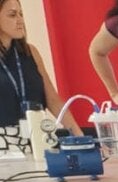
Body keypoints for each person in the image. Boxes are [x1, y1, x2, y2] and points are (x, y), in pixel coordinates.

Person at [0, 0, 79, 141]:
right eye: (12, 15)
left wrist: (79, 135)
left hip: (38, 136)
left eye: (21, 14)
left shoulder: (30, 52)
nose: (20, 20)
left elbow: (53, 100)